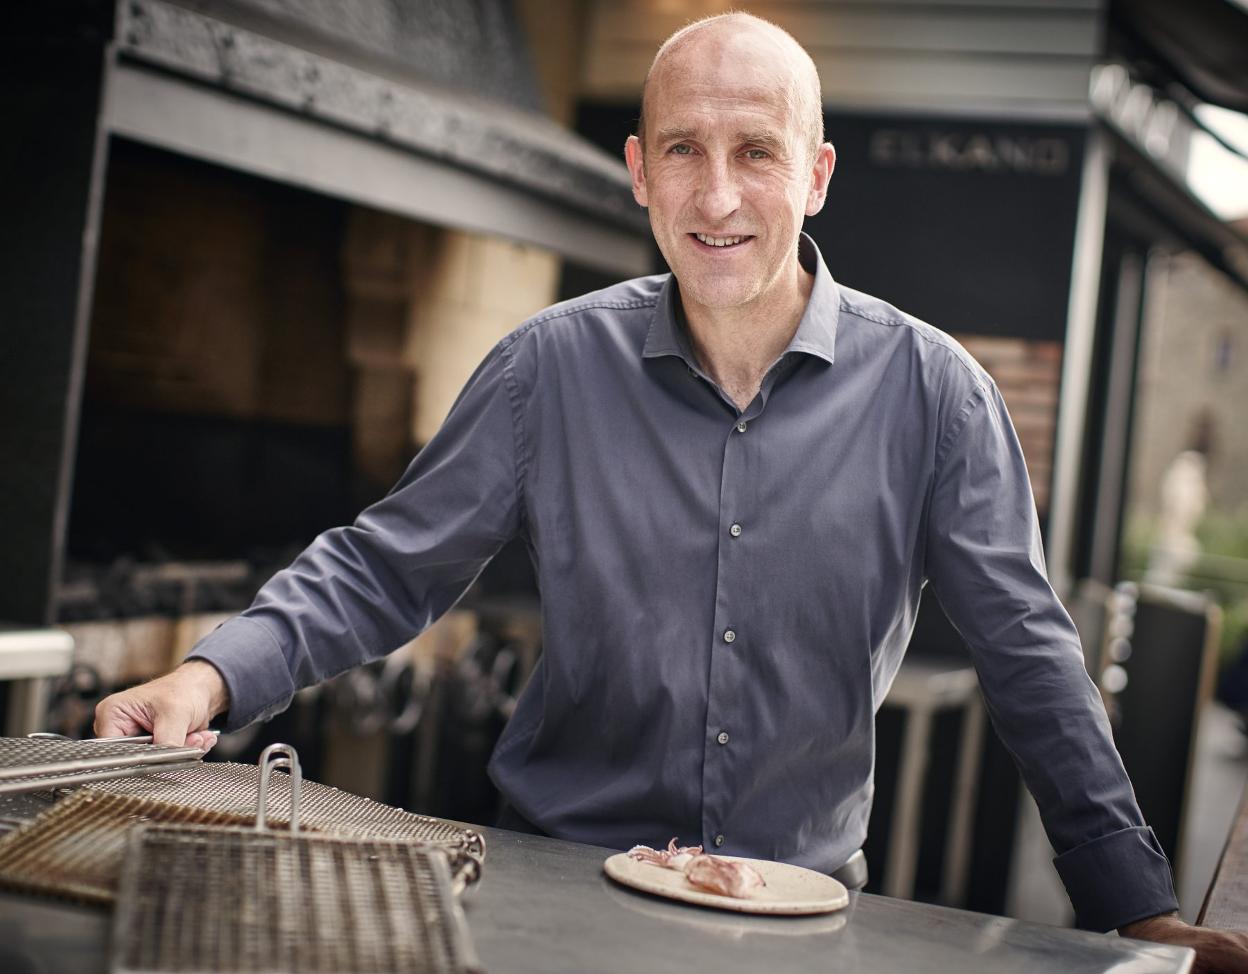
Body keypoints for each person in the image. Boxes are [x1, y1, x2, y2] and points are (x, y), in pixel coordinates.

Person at [96, 13, 1247, 970]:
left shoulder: (937, 394)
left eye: (756, 150)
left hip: (799, 912)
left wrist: (1130, 903)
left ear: (817, 174)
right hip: (543, 887)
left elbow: (1030, 653)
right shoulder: (546, 367)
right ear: (640, 170)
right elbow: (389, 562)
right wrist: (211, 673)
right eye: (684, 149)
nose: (717, 193)